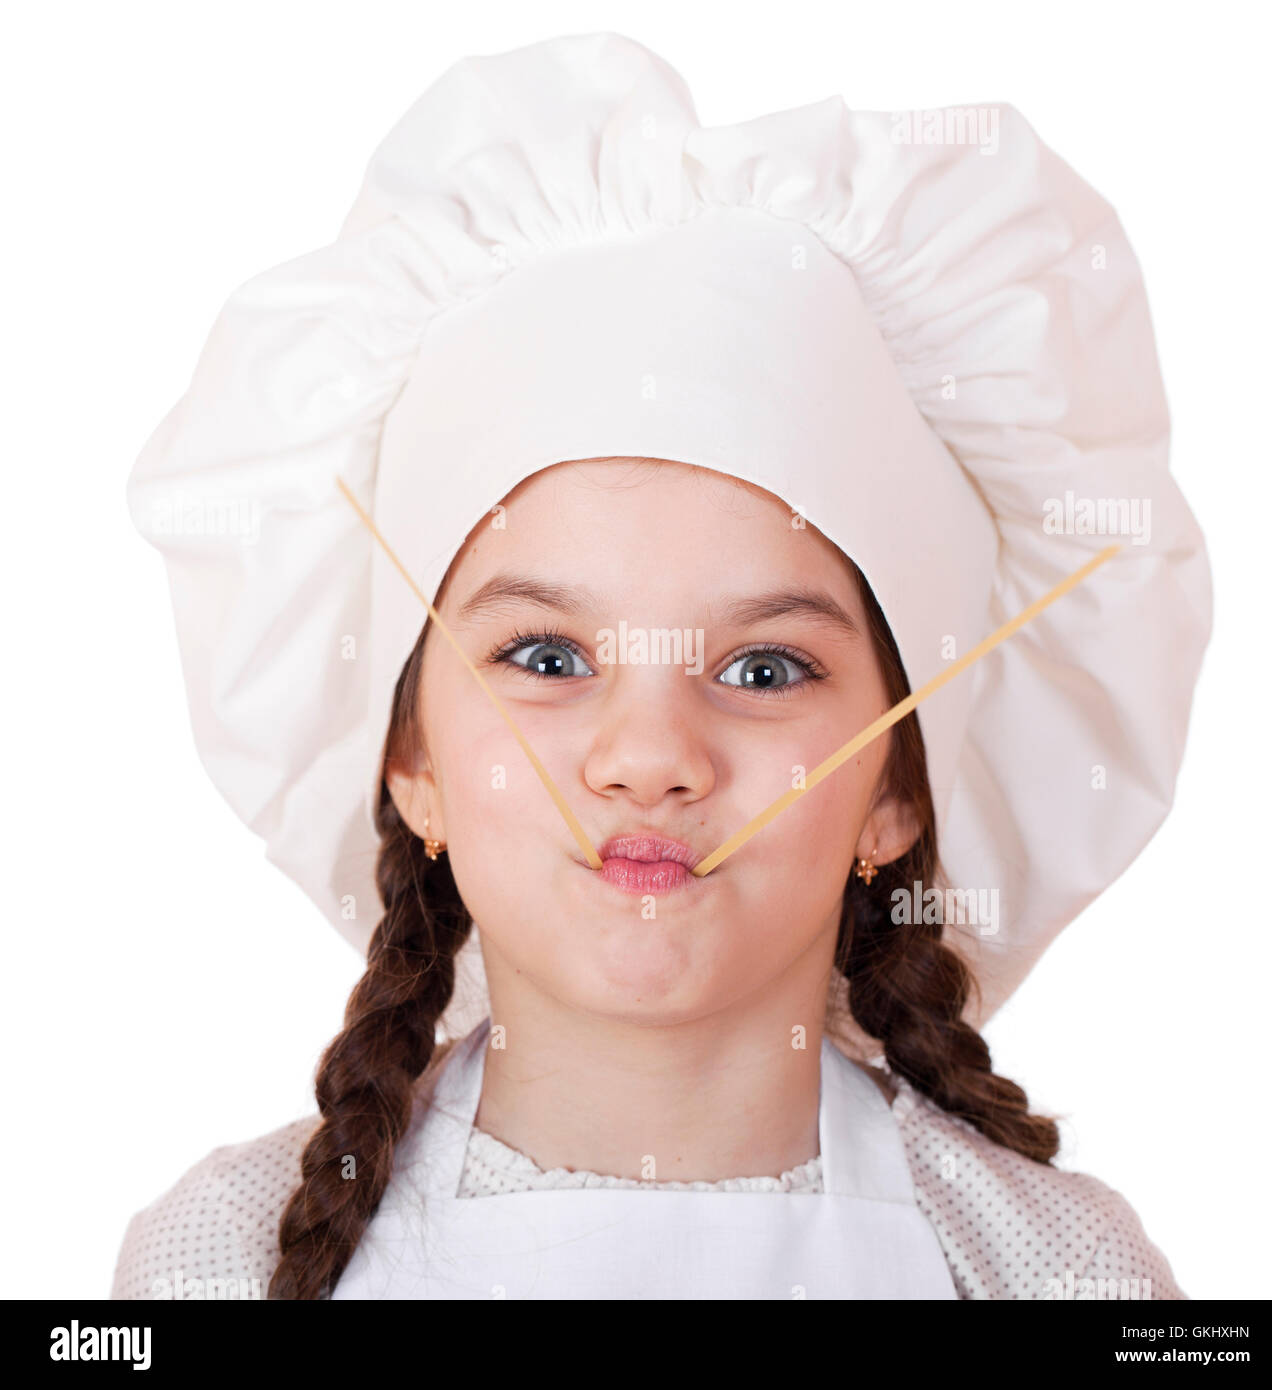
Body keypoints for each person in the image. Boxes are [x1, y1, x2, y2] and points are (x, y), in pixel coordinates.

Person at [111, 32, 1210, 1300]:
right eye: (545, 653)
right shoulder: (220, 1256)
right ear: (410, 762)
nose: (648, 757)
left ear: (899, 787)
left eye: (761, 669)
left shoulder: (1057, 1272)